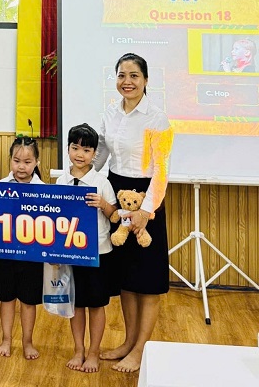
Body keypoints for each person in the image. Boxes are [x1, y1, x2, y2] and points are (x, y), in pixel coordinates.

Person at [95, 53, 174, 373]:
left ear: (145, 80)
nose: (127, 81)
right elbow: (100, 154)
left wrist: (146, 210)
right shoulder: (110, 113)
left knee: (148, 280)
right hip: (117, 193)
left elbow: (162, 170)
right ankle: (128, 342)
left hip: (146, 196)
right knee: (126, 277)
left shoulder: (157, 118)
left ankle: (141, 350)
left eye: (134, 75)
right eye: (121, 75)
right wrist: (77, 176)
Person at [56, 123, 117, 373]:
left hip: (98, 253)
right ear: (68, 149)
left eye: (86, 150)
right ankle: (78, 349)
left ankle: (94, 352)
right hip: (71, 253)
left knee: (96, 304)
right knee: (76, 304)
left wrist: (103, 204)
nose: (80, 154)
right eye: (75, 148)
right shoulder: (61, 181)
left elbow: (115, 215)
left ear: (94, 154)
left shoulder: (102, 182)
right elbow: (55, 218)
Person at [0, 137, 44, 360]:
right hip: (6, 253)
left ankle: (27, 341)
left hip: (32, 256)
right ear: (10, 160)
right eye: (16, 161)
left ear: (36, 162)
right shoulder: (0, 187)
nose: (21, 167)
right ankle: (6, 339)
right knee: (6, 298)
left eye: (27, 162)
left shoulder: (43, 190)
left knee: (29, 301)